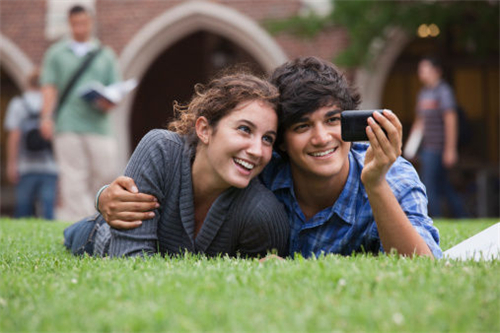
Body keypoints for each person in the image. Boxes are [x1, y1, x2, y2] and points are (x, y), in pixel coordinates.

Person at [97, 56, 442, 259]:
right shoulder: (262, 167)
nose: (322, 137)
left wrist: (376, 183)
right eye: (303, 125)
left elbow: (424, 267)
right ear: (283, 144)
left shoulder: (391, 173)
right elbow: (191, 164)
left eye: (333, 120)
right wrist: (104, 198)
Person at [63, 73, 289, 258]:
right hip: (97, 234)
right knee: (77, 233)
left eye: (267, 138)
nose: (257, 150)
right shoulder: (161, 150)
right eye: (244, 129)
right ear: (204, 130)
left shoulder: (262, 213)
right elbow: (129, 262)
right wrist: (101, 196)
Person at [39, 4, 120, 221]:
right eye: (75, 24)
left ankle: (98, 216)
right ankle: (80, 222)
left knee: (104, 171)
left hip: (99, 125)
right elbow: (49, 87)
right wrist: (46, 117)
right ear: (69, 24)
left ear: (91, 22)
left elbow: (115, 91)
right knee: (73, 174)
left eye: (83, 23)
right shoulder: (56, 53)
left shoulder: (105, 54)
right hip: (67, 123)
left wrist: (106, 101)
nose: (80, 28)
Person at [407, 56, 467, 218]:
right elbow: (419, 122)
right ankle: (461, 215)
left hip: (439, 148)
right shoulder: (423, 94)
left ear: (436, 71)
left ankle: (435, 218)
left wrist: (450, 149)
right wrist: (410, 147)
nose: (421, 73)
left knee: (430, 185)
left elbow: (450, 120)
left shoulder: (444, 91)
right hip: (427, 148)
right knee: (442, 185)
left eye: (424, 69)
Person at [4, 69, 58, 219]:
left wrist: (11, 164)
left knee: (23, 208)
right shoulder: (51, 104)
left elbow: (14, 136)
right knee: (48, 209)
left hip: (25, 166)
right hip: (50, 166)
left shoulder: (18, 104)